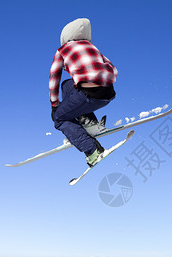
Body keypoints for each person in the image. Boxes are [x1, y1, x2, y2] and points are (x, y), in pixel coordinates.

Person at [49, 18, 118, 166]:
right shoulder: (92, 47)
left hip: (89, 95)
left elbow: (53, 78)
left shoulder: (62, 50)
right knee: (67, 85)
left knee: (60, 119)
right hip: (108, 92)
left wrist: (55, 106)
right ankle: (89, 124)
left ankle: (92, 151)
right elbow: (112, 67)